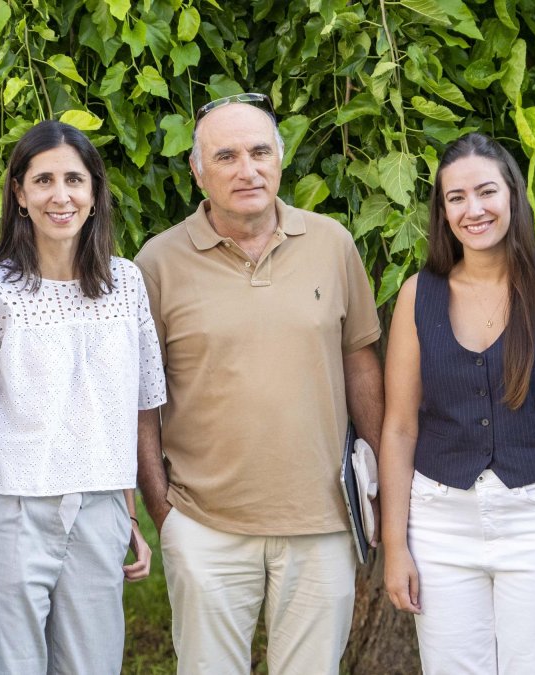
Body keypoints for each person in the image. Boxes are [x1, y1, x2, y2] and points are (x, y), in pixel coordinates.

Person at [133, 92, 384, 675]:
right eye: (225, 157)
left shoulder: (332, 243)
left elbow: (360, 365)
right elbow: (142, 399)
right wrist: (163, 511)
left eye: (259, 152)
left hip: (323, 521)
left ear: (280, 158)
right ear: (198, 172)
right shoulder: (158, 262)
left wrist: (378, 483)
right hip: (204, 524)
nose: (246, 170)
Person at [380, 133, 535, 674]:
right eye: (455, 198)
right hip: (439, 521)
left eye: (486, 192)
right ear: (442, 210)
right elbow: (398, 428)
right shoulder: (419, 292)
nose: (473, 210)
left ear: (513, 194)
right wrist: (395, 545)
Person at [0, 120, 164, 674]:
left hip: (99, 512)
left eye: (74, 179)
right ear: (20, 194)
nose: (60, 195)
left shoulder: (127, 284)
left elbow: (133, 411)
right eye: (43, 180)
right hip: (12, 510)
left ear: (94, 194)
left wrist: (132, 517)